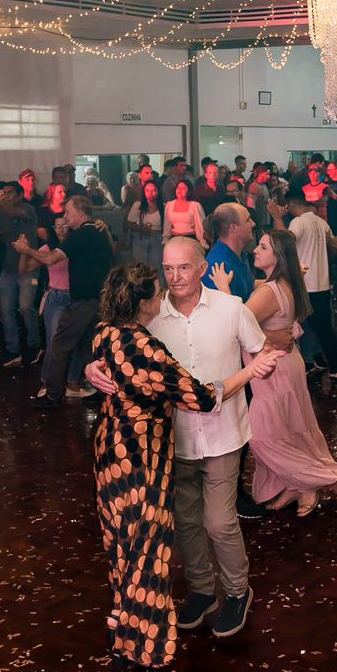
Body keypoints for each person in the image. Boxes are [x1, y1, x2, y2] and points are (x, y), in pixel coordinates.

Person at [87, 264, 280, 671]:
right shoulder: (147, 348)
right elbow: (203, 398)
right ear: (144, 303)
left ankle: (122, 626)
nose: (166, 290)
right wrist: (251, 371)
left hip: (109, 455)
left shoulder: (105, 333)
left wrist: (92, 368)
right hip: (142, 459)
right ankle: (140, 645)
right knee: (146, 551)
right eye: (159, 286)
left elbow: (103, 363)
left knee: (123, 546)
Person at [142, 238, 273, 638]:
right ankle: (202, 590)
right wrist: (94, 368)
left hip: (223, 434)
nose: (175, 276)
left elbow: (259, 350)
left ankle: (237, 591)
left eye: (183, 267)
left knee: (219, 521)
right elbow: (120, 351)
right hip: (175, 438)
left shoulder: (231, 309)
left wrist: (264, 367)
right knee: (186, 520)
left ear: (202, 268)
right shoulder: (151, 317)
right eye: (168, 268)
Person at [243, 230, 337, 513]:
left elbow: (237, 325)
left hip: (273, 368)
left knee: (261, 437)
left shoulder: (269, 291)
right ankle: (295, 485)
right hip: (287, 363)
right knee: (289, 428)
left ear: (278, 257)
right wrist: (274, 333)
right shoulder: (288, 283)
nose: (255, 250)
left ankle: (312, 480)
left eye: (263, 247)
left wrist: (224, 292)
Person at [21, 196, 114, 408]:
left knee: (59, 345)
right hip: (99, 299)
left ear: (80, 212)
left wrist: (26, 251)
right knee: (86, 346)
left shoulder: (81, 234)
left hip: (83, 301)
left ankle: (53, 394)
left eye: (68, 212)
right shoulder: (100, 232)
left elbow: (49, 258)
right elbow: (112, 252)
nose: (66, 216)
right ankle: (91, 388)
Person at [282, 194, 337, 381]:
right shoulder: (321, 223)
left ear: (291, 204)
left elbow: (286, 241)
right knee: (324, 329)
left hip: (303, 285)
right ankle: (336, 367)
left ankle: (304, 364)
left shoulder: (298, 222)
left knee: (295, 327)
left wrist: (277, 218)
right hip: (322, 285)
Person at [0, 184, 42, 368]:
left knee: (26, 307)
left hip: (30, 267)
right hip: (8, 269)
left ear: (20, 195)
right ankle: (12, 350)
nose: (6, 196)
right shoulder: (0, 213)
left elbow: (13, 212)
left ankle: (34, 346)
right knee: (6, 309)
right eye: (4, 193)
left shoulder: (28, 209)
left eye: (10, 193)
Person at [127, 179, 164, 271]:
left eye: (154, 190)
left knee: (155, 266)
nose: (150, 193)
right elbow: (129, 223)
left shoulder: (164, 207)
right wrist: (141, 229)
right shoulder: (138, 205)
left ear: (158, 191)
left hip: (157, 239)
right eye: (147, 190)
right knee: (140, 267)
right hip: (140, 237)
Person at [165, 179, 208, 247]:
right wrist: (165, 240)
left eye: (183, 188)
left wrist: (202, 241)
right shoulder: (169, 205)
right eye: (178, 188)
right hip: (174, 239)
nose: (179, 190)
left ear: (189, 192)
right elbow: (166, 225)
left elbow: (200, 225)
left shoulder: (195, 205)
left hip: (190, 239)